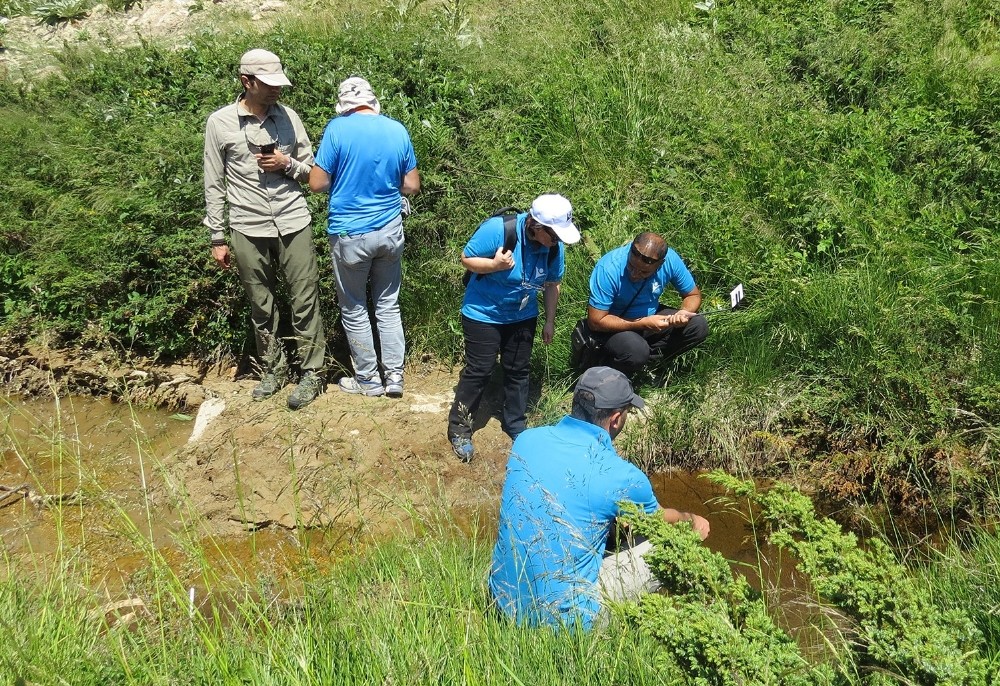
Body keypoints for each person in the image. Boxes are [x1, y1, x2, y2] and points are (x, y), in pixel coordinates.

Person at [489, 366, 710, 629]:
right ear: (616, 418)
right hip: (561, 624)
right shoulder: (621, 476)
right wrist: (691, 519)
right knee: (672, 545)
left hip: (503, 599)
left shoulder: (526, 440)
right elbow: (659, 520)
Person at [203, 48, 327, 410]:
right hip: (246, 224)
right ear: (247, 81)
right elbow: (213, 182)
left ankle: (313, 373)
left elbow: (314, 173)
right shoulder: (220, 123)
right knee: (261, 303)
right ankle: (273, 369)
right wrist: (217, 236)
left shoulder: (290, 117)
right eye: (269, 84)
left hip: (293, 219)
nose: (277, 91)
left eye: (279, 83)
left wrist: (287, 164)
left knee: (305, 298)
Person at [309, 77, 420, 399]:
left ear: (343, 105)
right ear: (374, 102)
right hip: (389, 231)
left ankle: (369, 380)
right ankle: (395, 378)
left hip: (350, 234)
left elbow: (317, 183)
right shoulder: (397, 130)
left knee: (355, 307)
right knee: (388, 305)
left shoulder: (337, 129)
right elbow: (412, 185)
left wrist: (345, 180)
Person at [447, 195, 580, 463]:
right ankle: (459, 429)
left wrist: (549, 320)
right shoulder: (499, 230)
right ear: (536, 226)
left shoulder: (554, 246)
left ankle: (515, 424)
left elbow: (552, 284)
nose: (558, 242)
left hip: (522, 316)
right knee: (479, 370)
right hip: (483, 313)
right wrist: (494, 265)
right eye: (554, 235)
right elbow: (467, 258)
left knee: (518, 370)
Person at [585, 232, 708, 376]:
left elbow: (692, 295)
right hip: (613, 325)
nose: (635, 274)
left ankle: (646, 365)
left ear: (660, 264)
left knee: (698, 325)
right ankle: (610, 373)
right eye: (631, 266)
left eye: (644, 272)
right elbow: (595, 321)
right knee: (636, 350)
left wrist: (683, 312)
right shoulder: (609, 268)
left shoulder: (670, 261)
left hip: (649, 318)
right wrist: (641, 323)